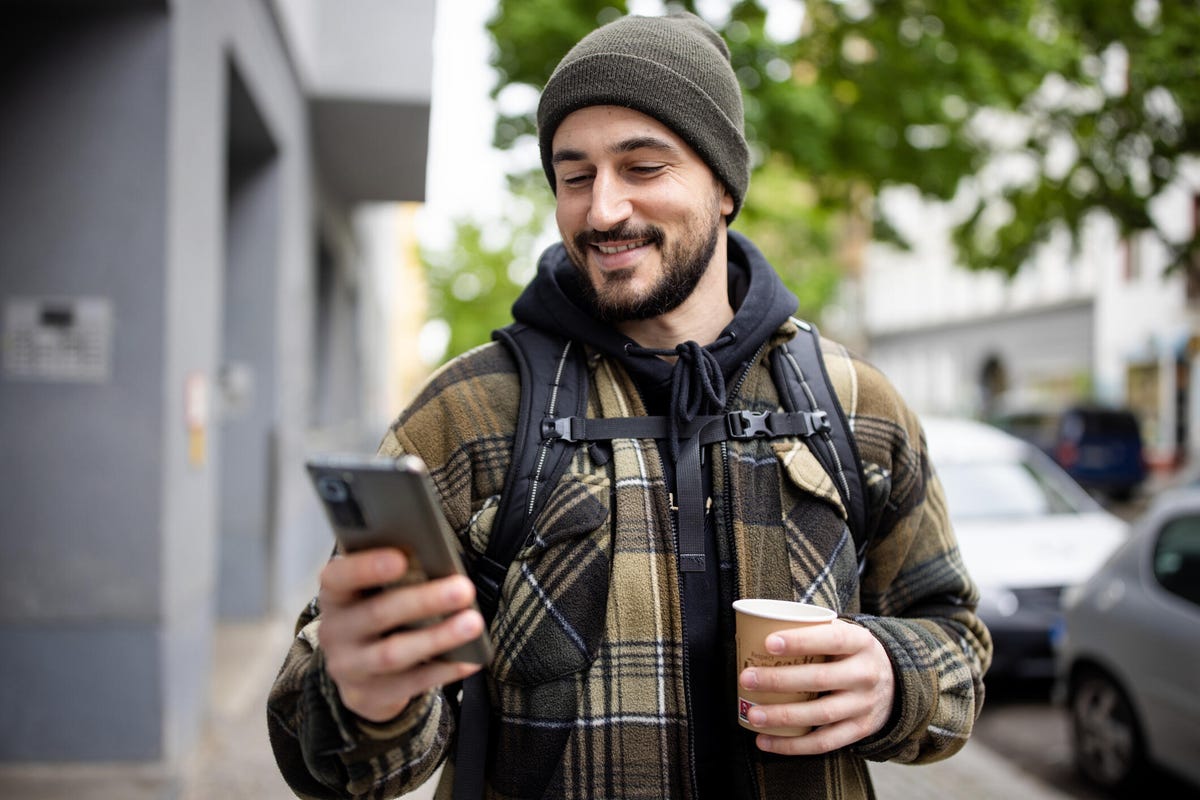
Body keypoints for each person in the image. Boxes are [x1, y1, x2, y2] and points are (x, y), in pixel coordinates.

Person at [268, 12, 992, 800]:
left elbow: (953, 633)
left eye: (642, 167)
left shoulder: (855, 405)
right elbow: (328, 753)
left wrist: (896, 678)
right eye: (575, 177)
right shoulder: (473, 410)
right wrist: (365, 698)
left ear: (724, 187)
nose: (603, 210)